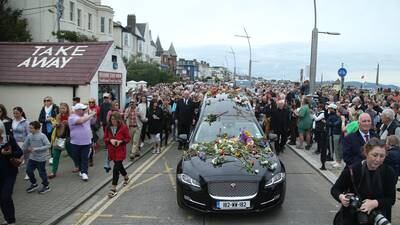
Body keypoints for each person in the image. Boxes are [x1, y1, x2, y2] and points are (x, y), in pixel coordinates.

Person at [331, 138, 397, 224]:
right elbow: (335, 189)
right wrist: (341, 197)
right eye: (374, 155)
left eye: (382, 156)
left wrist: (374, 203)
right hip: (352, 218)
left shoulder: (388, 172)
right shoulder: (352, 170)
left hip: (377, 218)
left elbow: (391, 199)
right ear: (366, 153)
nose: (378, 159)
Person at [104, 112, 131, 198]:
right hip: (112, 151)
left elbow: (128, 138)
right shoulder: (108, 127)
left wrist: (121, 141)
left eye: (115, 119)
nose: (113, 121)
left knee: (116, 168)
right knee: (119, 166)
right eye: (112, 119)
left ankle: (113, 188)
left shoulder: (123, 127)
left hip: (120, 151)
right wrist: (110, 140)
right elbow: (105, 138)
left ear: (119, 119)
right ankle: (126, 177)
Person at [0, 123, 23, 225]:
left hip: (9, 172)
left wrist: (10, 153)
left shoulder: (8, 139)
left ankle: (11, 221)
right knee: (1, 198)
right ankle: (8, 219)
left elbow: (20, 152)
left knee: (5, 196)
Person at [68, 103, 96, 181]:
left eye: (84, 109)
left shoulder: (86, 116)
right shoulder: (72, 117)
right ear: (77, 110)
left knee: (84, 157)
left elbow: (93, 122)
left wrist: (93, 115)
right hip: (75, 142)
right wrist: (90, 115)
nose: (84, 111)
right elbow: (81, 121)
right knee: (77, 157)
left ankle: (84, 172)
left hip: (86, 142)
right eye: (83, 109)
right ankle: (81, 169)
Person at [22, 121, 52, 194]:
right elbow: (25, 145)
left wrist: (36, 149)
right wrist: (25, 149)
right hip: (32, 158)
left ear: (37, 128)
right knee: (28, 171)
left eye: (31, 128)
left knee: (42, 173)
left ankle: (46, 186)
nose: (29, 129)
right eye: (29, 128)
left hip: (41, 159)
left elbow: (48, 145)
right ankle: (34, 184)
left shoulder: (42, 136)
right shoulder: (29, 136)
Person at [48, 103, 75, 179]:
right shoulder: (58, 116)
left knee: (71, 154)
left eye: (63, 108)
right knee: (55, 155)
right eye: (60, 108)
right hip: (59, 137)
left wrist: (68, 123)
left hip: (69, 138)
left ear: (67, 109)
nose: (62, 110)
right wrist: (55, 125)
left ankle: (77, 165)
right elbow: (56, 125)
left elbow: (75, 127)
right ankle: (53, 172)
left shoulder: (71, 116)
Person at [38, 96, 59, 165]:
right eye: (45, 101)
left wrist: (52, 119)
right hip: (45, 128)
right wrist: (46, 120)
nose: (47, 102)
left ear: (51, 101)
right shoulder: (43, 109)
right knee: (46, 143)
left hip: (53, 128)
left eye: (48, 100)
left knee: (53, 143)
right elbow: (40, 119)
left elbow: (58, 118)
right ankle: (47, 156)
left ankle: (52, 157)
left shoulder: (55, 108)